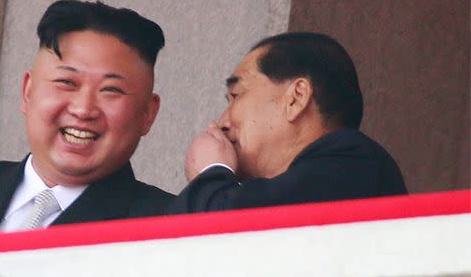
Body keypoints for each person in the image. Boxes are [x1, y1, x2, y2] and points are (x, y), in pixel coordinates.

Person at [0, 0, 174, 236]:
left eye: (110, 90)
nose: (83, 109)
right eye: (66, 82)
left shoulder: (168, 228)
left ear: (148, 113)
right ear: (28, 91)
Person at [169, 32, 406, 213]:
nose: (221, 123)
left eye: (236, 96)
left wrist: (210, 174)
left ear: (296, 98)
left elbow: (233, 235)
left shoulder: (355, 165)